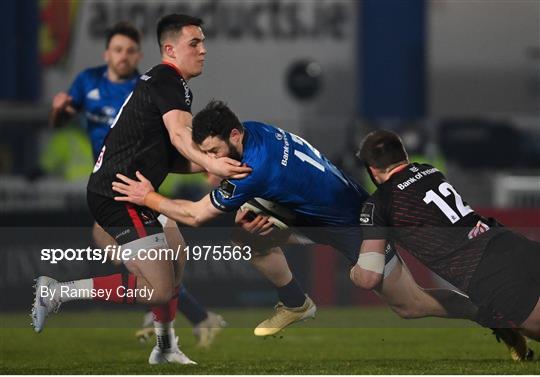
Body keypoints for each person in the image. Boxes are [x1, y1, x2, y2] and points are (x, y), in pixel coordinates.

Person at [110, 101, 511, 349]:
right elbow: (217, 167)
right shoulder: (252, 132)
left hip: (356, 224)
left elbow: (196, 216)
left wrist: (147, 195)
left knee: (411, 306)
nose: (213, 162)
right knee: (247, 234)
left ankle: (490, 314)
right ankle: (297, 302)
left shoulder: (254, 168)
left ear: (233, 136)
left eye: (215, 153)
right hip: (313, 213)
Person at [33, 14, 251, 365]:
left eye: (203, 42)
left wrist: (211, 164)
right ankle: (56, 293)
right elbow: (182, 138)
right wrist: (214, 165)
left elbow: (173, 157)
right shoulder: (167, 78)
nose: (203, 50)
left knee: (176, 257)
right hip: (121, 193)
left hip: (136, 189)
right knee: (159, 287)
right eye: (194, 43)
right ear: (170, 49)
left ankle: (165, 347)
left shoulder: (171, 85)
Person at [351, 129, 538, 360]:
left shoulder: (378, 204)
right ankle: (496, 320)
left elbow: (369, 277)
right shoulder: (429, 170)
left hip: (485, 273)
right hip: (508, 241)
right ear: (404, 156)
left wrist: (355, 272)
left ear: (372, 171)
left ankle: (498, 321)